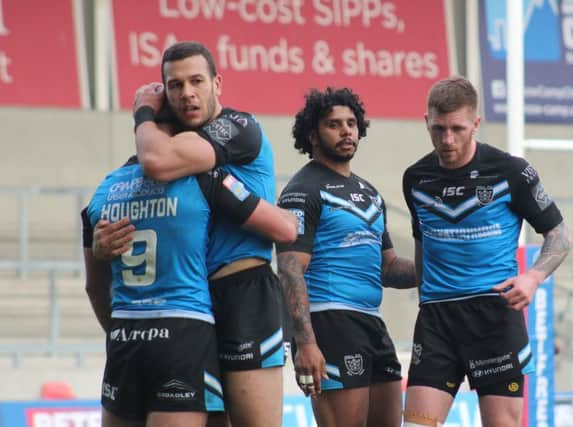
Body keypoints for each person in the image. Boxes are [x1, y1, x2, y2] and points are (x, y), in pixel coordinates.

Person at [95, 41, 288, 427]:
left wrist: (144, 113)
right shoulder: (178, 139)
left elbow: (156, 162)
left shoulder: (240, 127)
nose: (187, 93)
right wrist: (104, 244)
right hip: (192, 303)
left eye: (197, 81)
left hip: (242, 292)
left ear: (217, 83)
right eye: (175, 85)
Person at [401, 76, 570, 427]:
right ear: (426, 122)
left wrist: (533, 278)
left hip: (494, 315)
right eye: (439, 128)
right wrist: (424, 297)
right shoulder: (415, 178)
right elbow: (422, 244)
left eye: (458, 129)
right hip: (437, 320)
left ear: (476, 124)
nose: (447, 140)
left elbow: (558, 234)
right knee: (417, 424)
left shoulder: (511, 171)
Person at [83, 155, 297, 427]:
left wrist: (117, 334)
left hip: (125, 336)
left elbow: (93, 287)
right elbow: (284, 228)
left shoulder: (106, 188)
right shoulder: (204, 177)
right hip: (184, 333)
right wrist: (288, 215)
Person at [276, 87, 416, 427]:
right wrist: (305, 343)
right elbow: (290, 269)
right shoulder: (302, 189)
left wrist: (441, 265)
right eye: (334, 124)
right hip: (330, 322)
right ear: (312, 134)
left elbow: (389, 268)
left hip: (372, 322)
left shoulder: (370, 193)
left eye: (352, 123)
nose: (346, 131)